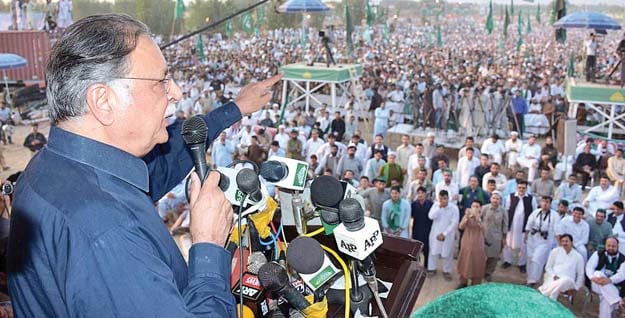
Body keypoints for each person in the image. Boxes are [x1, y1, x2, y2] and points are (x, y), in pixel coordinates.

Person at [7, 14, 281, 317]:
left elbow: (163, 163)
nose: (176, 92)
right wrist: (209, 246)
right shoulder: (107, 231)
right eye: (162, 81)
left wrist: (236, 108)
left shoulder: (54, 168)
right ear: (104, 100)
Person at [525, 196, 562, 287]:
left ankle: (533, 280)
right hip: (532, 238)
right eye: (543, 201)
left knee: (537, 259)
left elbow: (557, 230)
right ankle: (529, 278)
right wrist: (526, 235)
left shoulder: (554, 215)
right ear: (540, 202)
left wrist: (559, 243)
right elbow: (529, 223)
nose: (545, 204)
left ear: (550, 204)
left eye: (547, 202)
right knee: (530, 258)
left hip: (545, 241)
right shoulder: (536, 212)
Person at [586, 237, 625, 318]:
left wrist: (609, 280)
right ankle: (618, 300)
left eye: (613, 246)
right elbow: (589, 268)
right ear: (605, 246)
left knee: (606, 300)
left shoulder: (623, 259)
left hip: (613, 286)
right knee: (597, 273)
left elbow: (622, 275)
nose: (611, 248)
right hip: (596, 284)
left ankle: (615, 301)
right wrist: (592, 277)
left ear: (618, 246)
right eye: (609, 245)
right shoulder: (598, 254)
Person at [538, 234, 585, 300]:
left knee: (565, 280)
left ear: (571, 242)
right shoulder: (555, 251)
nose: (564, 243)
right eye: (562, 241)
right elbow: (548, 267)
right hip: (554, 278)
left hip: (569, 282)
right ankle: (551, 300)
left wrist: (576, 288)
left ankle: (543, 292)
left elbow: (581, 274)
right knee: (556, 286)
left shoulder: (578, 256)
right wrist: (554, 275)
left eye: (566, 241)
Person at [503, 181, 536, 273]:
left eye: (523, 188)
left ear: (526, 188)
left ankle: (522, 263)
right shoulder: (510, 197)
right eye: (520, 187)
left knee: (524, 245)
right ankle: (507, 260)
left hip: (524, 226)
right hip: (512, 225)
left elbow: (534, 213)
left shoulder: (531, 199)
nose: (521, 189)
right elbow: (506, 210)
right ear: (517, 188)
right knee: (508, 243)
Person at [427, 190, 460, 281]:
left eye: (445, 198)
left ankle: (447, 271)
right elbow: (430, 216)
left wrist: (444, 233)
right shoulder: (436, 205)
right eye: (441, 199)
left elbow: (454, 223)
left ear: (448, 198)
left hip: (448, 234)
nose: (443, 201)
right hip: (435, 233)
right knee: (433, 251)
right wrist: (439, 208)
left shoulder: (454, 208)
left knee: (447, 253)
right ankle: (432, 269)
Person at [457, 200, 487, 288]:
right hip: (467, 243)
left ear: (480, 208)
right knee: (464, 261)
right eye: (473, 206)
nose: (474, 208)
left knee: (477, 263)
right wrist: (466, 217)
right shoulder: (467, 216)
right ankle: (463, 282)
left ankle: (475, 284)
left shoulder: (483, 216)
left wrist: (478, 220)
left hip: (478, 245)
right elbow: (460, 227)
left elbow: (485, 230)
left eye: (477, 206)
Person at [481, 191, 508, 281]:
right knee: (481, 256)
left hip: (496, 238)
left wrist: (504, 238)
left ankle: (488, 273)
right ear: (490, 199)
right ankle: (479, 272)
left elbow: (505, 225)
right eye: (494, 198)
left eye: (497, 199)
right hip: (484, 236)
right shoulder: (484, 208)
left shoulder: (503, 211)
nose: (495, 200)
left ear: (500, 200)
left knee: (493, 257)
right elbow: (479, 219)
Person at [410, 187, 434, 266]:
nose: (420, 195)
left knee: (427, 249)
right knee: (416, 249)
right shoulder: (413, 204)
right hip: (416, 229)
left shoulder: (430, 204)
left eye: (422, 193)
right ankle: (416, 266)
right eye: (419, 193)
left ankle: (426, 266)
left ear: (425, 194)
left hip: (427, 229)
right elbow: (412, 216)